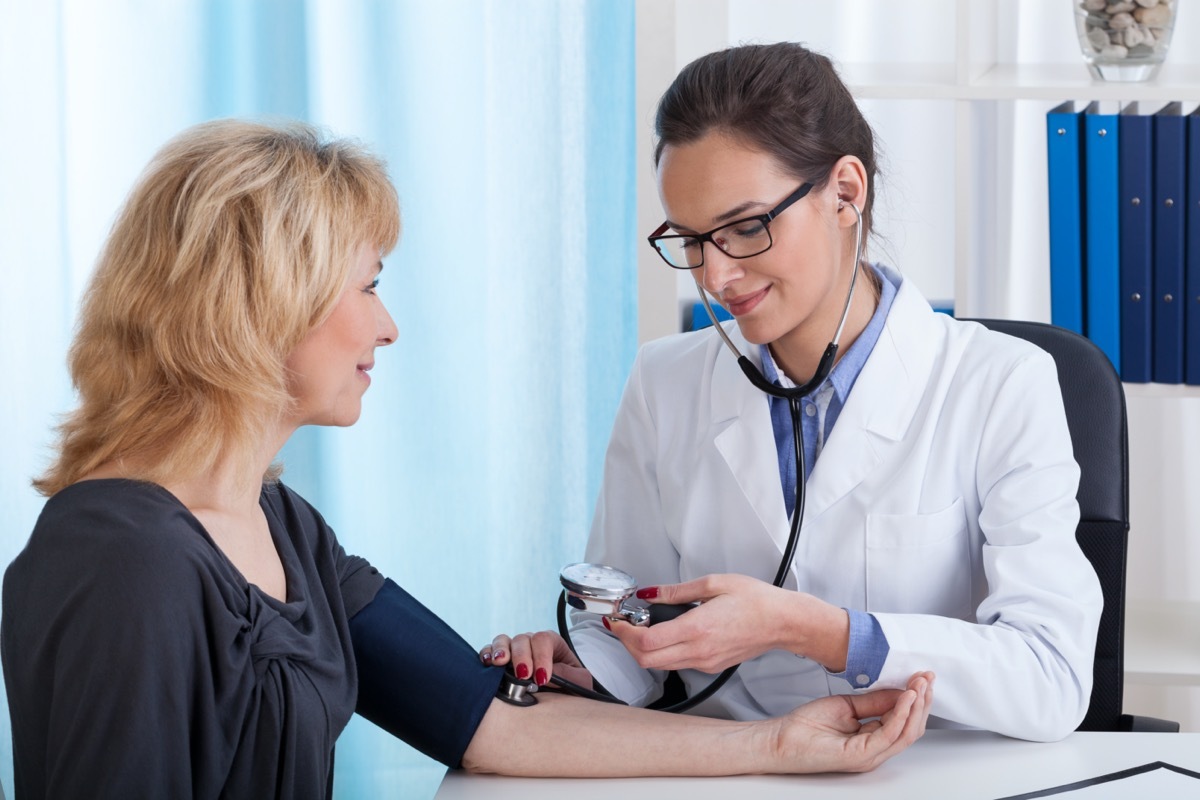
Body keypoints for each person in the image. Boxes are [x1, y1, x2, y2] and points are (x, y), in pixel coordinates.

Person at [0, 118, 934, 798]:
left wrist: (777, 747)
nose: (388, 325)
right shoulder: (119, 555)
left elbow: (482, 718)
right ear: (260, 301)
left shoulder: (278, 529)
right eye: (367, 286)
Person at [484, 42, 1102, 743]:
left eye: (745, 228)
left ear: (845, 192)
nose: (714, 276)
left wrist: (815, 630)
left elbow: (1051, 678)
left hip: (929, 773)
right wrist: (581, 666)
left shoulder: (1000, 384)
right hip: (734, 771)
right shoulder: (663, 384)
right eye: (690, 239)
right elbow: (634, 630)